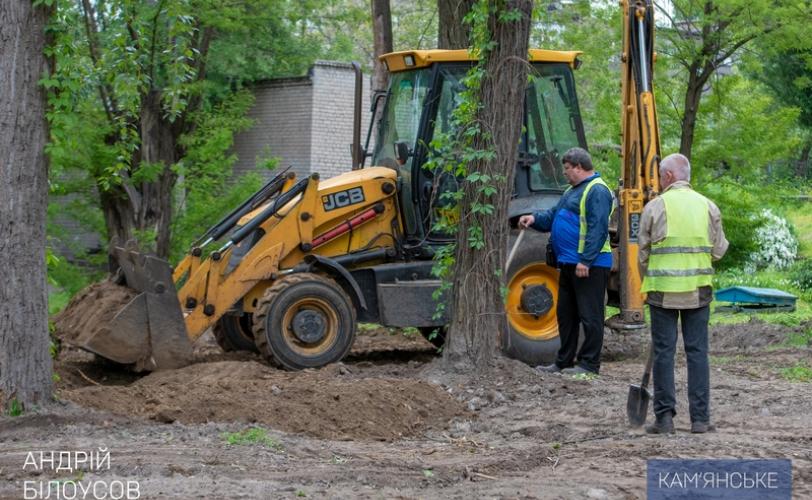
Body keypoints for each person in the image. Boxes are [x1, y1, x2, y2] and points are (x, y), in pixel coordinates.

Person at [638, 153, 728, 434]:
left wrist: (649, 280)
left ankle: (664, 419)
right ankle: (700, 420)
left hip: (662, 292)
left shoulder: (654, 207)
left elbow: (642, 254)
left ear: (668, 176)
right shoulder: (708, 206)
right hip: (698, 291)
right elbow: (719, 250)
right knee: (698, 353)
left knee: (664, 353)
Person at [518, 147, 613, 376]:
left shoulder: (597, 190)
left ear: (579, 167)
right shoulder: (571, 191)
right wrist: (534, 219)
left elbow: (598, 229)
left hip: (590, 265)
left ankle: (589, 365)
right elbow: (554, 215)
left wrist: (586, 260)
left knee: (590, 317)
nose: (565, 173)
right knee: (566, 315)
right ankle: (563, 362)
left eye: (568, 169)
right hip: (568, 264)